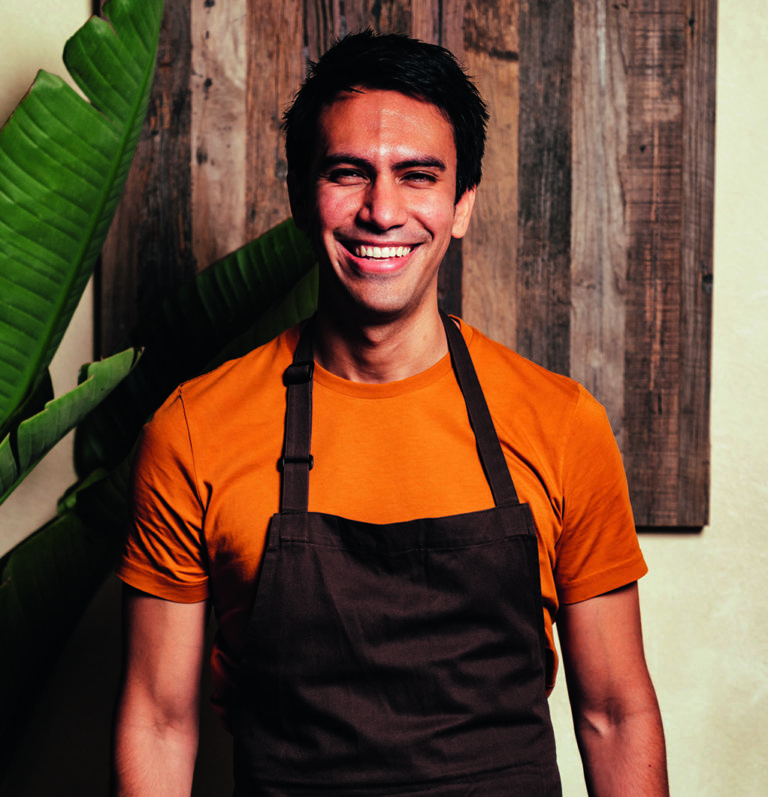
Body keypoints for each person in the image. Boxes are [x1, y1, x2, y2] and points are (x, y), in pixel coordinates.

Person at [112, 30, 668, 796]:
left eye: (418, 176)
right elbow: (158, 719)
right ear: (300, 196)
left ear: (462, 204)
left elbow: (614, 713)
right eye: (348, 173)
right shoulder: (192, 430)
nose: (382, 211)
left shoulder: (563, 423)